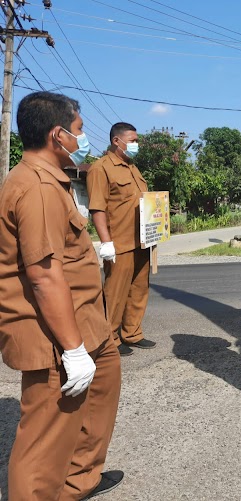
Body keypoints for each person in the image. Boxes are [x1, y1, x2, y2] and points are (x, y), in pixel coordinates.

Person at [0, 91, 122, 500]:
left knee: (99, 400)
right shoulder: (35, 187)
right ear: (58, 135)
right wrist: (72, 350)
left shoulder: (54, 180)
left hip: (85, 319)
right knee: (44, 438)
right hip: (54, 333)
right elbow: (43, 275)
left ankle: (78, 482)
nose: (82, 140)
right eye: (79, 132)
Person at [87, 122, 156, 357]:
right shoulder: (101, 168)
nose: (136, 145)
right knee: (115, 293)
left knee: (139, 290)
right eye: (133, 140)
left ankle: (132, 332)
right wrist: (105, 242)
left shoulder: (132, 167)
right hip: (119, 243)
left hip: (141, 240)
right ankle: (109, 338)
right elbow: (97, 207)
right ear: (117, 141)